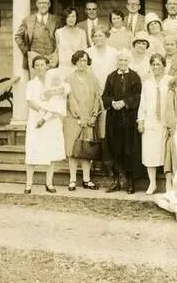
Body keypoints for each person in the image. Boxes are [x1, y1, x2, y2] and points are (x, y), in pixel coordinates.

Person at [24, 56, 67, 193]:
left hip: (51, 120)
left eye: (42, 65)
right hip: (36, 119)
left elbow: (58, 102)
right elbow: (30, 102)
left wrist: (48, 114)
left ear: (47, 66)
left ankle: (49, 183)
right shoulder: (31, 84)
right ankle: (29, 183)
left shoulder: (55, 83)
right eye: (37, 65)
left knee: (51, 151)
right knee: (32, 150)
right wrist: (42, 111)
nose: (40, 67)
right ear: (34, 67)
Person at [101, 51, 142, 194]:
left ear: (128, 62)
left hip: (129, 119)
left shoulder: (135, 77)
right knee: (115, 149)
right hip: (114, 119)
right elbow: (105, 95)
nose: (123, 63)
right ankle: (116, 181)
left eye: (125, 60)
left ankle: (130, 182)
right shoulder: (111, 77)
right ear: (117, 62)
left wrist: (125, 102)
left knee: (129, 149)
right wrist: (112, 103)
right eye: (120, 60)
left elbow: (138, 96)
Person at [64, 50, 102, 191]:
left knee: (86, 150)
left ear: (88, 62)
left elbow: (97, 98)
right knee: (73, 150)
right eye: (79, 60)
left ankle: (87, 180)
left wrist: (93, 116)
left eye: (84, 60)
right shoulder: (69, 79)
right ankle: (72, 180)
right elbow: (70, 98)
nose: (82, 63)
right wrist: (79, 116)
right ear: (75, 62)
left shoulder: (93, 78)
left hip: (89, 120)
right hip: (73, 119)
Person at [138, 54, 170, 195]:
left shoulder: (170, 81)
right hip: (151, 122)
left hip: (165, 122)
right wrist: (141, 121)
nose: (156, 67)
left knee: (167, 154)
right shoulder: (147, 83)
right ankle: (152, 183)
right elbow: (142, 104)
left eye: (158, 64)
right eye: (153, 64)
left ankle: (169, 184)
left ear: (164, 65)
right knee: (150, 153)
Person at [15, 0, 58, 69]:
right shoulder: (28, 20)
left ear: (49, 4)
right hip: (34, 58)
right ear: (37, 4)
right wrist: (27, 52)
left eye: (45, 3)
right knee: (36, 80)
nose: (43, 5)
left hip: (51, 58)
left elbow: (60, 39)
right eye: (41, 3)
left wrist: (55, 54)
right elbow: (18, 36)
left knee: (50, 79)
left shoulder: (56, 20)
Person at [55, 6, 86, 76]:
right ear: (65, 18)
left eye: (73, 16)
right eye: (68, 16)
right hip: (63, 68)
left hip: (77, 68)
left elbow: (84, 52)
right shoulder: (58, 32)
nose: (71, 19)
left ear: (76, 18)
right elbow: (56, 51)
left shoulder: (82, 32)